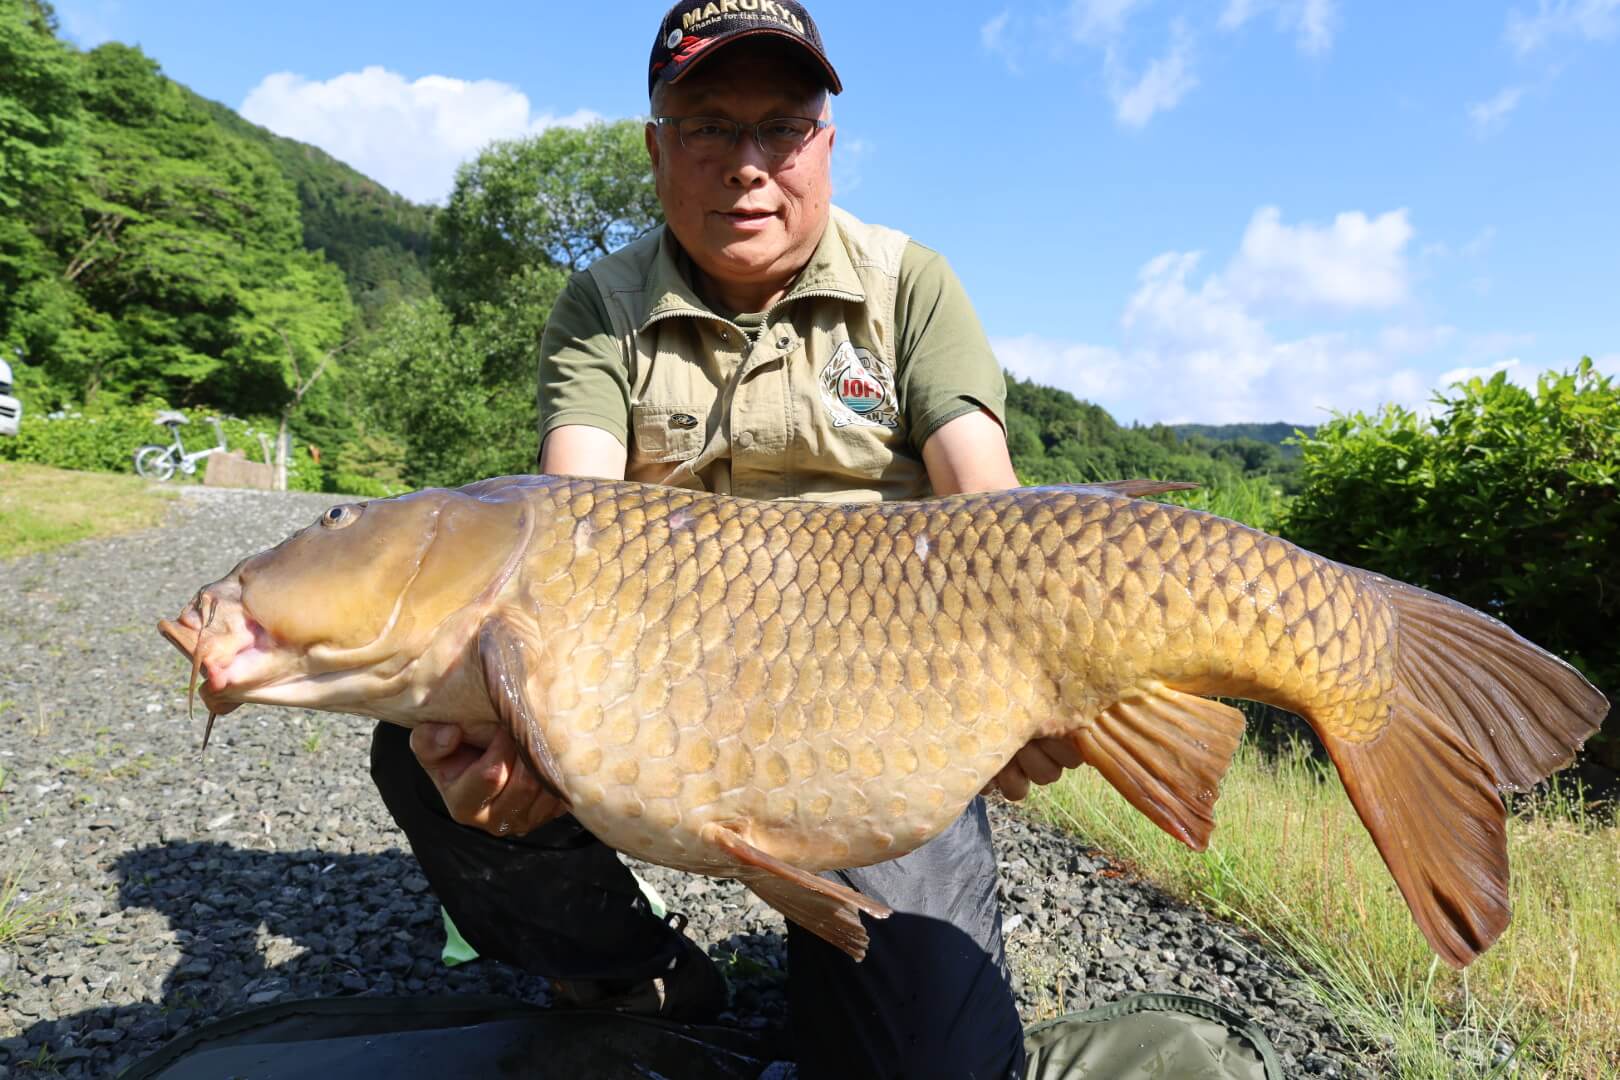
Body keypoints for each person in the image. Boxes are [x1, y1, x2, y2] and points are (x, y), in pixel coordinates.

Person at [369, 3, 1083, 1075]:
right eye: (707, 125)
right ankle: (628, 968)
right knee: (429, 728)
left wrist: (1039, 674)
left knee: (929, 1065)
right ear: (657, 146)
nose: (748, 165)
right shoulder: (600, 305)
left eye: (782, 127)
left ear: (826, 144)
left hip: (876, 720)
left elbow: (991, 502)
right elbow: (568, 529)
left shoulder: (910, 285)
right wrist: (520, 717)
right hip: (662, 696)